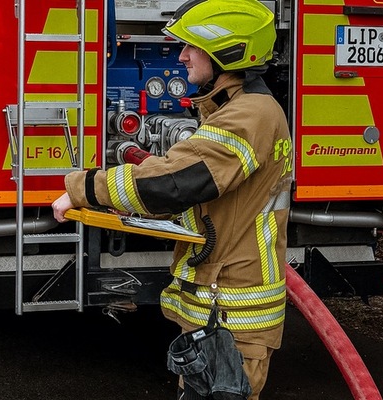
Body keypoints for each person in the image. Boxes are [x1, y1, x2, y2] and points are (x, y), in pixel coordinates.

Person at [51, 0, 292, 398]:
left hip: (232, 317)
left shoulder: (250, 115)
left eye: (191, 47)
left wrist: (83, 188)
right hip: (221, 312)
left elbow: (174, 182)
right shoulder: (238, 110)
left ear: (227, 52)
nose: (181, 57)